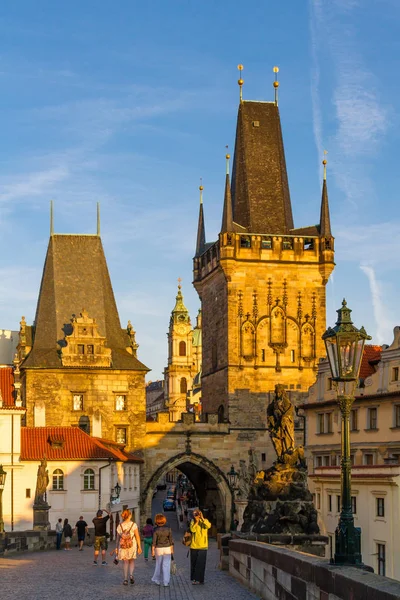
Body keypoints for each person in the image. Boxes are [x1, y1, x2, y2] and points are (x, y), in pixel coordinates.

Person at [115, 509, 142, 586]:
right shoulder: (133, 525)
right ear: (130, 515)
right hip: (132, 545)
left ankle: (125, 579)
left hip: (123, 546)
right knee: (132, 561)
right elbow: (137, 537)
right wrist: (139, 547)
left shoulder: (120, 526)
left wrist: (116, 548)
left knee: (125, 562)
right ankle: (131, 575)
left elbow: (117, 539)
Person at [151, 513, 174, 587]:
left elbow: (154, 542)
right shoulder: (169, 529)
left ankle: (157, 579)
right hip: (167, 548)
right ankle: (166, 582)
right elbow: (171, 540)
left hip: (158, 548)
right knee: (166, 565)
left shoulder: (155, 530)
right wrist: (172, 549)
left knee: (158, 564)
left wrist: (152, 550)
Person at [189, 509, 211, 585]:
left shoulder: (205, 521)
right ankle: (194, 579)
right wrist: (196, 521)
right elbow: (192, 530)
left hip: (203, 546)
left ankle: (201, 579)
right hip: (194, 546)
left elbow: (208, 526)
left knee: (201, 563)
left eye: (197, 514)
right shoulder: (193, 521)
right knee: (194, 563)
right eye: (194, 514)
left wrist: (202, 518)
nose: (196, 515)